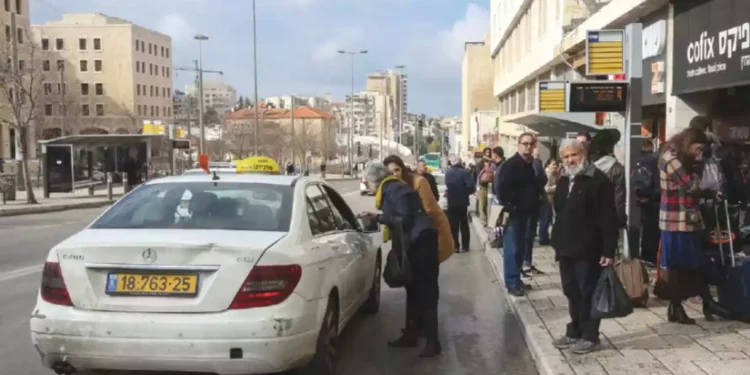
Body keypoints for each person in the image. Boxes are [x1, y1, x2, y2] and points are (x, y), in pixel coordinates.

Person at [362, 162, 442, 357]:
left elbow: (405, 218)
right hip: (415, 243)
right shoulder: (391, 189)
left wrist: (378, 219)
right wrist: (379, 216)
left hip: (422, 243)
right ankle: (411, 335)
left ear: (375, 181)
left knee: (426, 292)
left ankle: (433, 342)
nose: (368, 188)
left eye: (367, 183)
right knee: (413, 289)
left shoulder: (395, 190)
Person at [551, 139, 617, 354]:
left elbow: (609, 218)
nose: (570, 160)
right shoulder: (564, 180)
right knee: (571, 291)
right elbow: (559, 209)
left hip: (589, 249)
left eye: (574, 155)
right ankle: (574, 331)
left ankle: (590, 336)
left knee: (587, 292)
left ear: (584, 154)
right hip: (566, 248)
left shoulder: (599, 181)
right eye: (566, 156)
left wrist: (608, 250)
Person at [658, 127, 729, 324]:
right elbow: (691, 185)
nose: (699, 153)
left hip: (686, 219)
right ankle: (683, 306)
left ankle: (701, 303)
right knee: (679, 266)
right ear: (687, 143)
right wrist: (701, 175)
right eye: (697, 149)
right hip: (676, 220)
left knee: (693, 263)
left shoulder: (678, 158)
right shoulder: (671, 159)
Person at [496, 133, 542, 296]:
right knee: (513, 248)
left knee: (520, 248)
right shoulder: (511, 164)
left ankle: (517, 279)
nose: (528, 146)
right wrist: (510, 206)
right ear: (519, 144)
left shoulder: (529, 164)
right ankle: (512, 282)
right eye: (525, 143)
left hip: (526, 212)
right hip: (515, 213)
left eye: (531, 144)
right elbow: (500, 187)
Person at [633, 141, 662, 264]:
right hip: (655, 202)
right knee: (652, 232)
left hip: (649, 202)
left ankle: (648, 257)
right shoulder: (654, 162)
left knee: (649, 232)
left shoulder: (645, 162)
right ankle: (650, 257)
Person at [444, 155, 476, 253]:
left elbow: (447, 185)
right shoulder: (465, 172)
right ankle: (465, 246)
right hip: (462, 202)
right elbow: (471, 186)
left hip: (451, 202)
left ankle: (455, 246)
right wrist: (467, 192)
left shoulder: (448, 173)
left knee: (453, 225)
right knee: (464, 224)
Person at [539, 158, 560, 246]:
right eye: (553, 164)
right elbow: (546, 188)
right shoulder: (546, 173)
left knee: (548, 219)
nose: (555, 166)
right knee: (545, 219)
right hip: (545, 200)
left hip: (551, 200)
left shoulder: (555, 173)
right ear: (548, 165)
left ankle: (546, 237)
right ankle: (543, 238)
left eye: (556, 165)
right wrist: (557, 187)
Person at [476, 148, 493, 226]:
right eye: (486, 152)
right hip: (482, 185)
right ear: (484, 153)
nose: (488, 153)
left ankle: (489, 220)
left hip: (490, 186)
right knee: (482, 204)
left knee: (489, 204)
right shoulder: (480, 163)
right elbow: (478, 174)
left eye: (489, 152)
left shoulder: (492, 162)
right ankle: (483, 220)